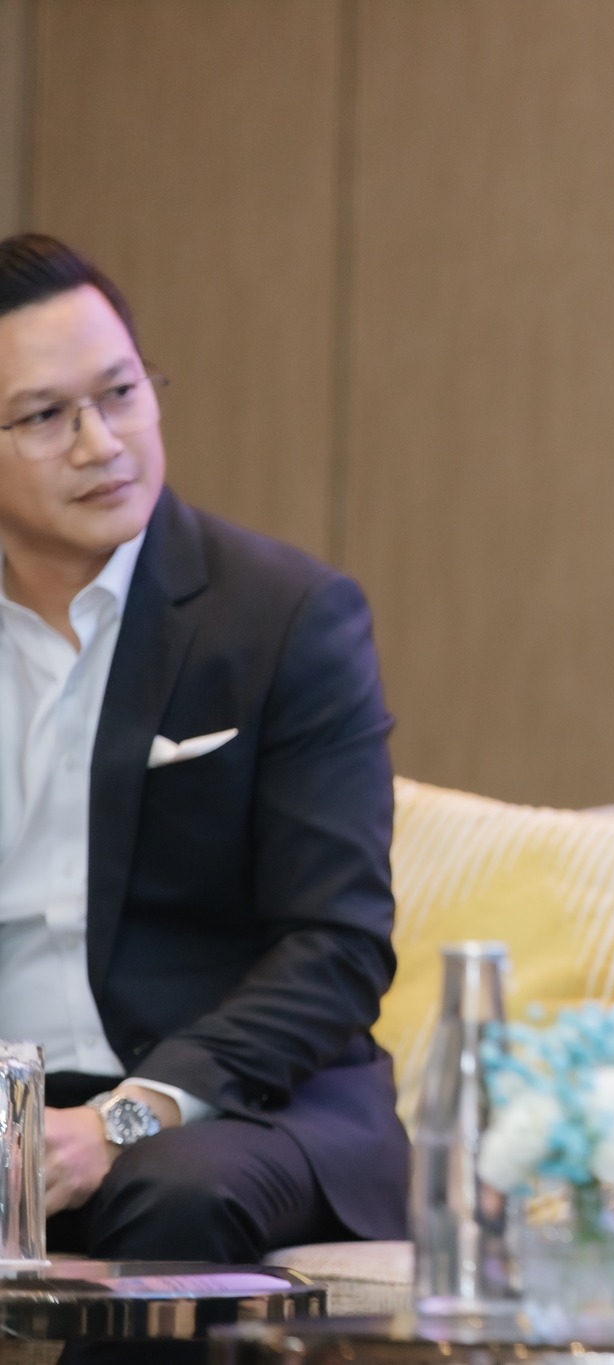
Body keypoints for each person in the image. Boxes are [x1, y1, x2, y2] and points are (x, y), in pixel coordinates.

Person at [0, 233, 407, 1262]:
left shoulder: (283, 617)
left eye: (121, 393)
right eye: (45, 416)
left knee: (172, 1194)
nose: (101, 443)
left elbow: (336, 947)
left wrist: (117, 1121)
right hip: (18, 1106)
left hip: (241, 1104)